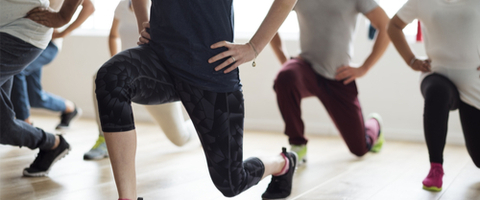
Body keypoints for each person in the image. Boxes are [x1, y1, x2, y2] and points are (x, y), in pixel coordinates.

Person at [94, 0, 298, 199]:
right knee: (112, 77)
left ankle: (282, 163)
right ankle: (127, 197)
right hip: (159, 58)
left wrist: (254, 47)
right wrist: (143, 22)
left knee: (231, 183)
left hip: (211, 70)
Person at [270, 0, 390, 164]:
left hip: (339, 76)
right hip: (306, 67)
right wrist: (284, 60)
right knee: (285, 77)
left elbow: (387, 26)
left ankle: (374, 124)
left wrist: (364, 67)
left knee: (360, 149)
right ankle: (297, 144)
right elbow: (270, 24)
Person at [83, 0, 196, 160]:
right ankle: (103, 139)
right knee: (99, 75)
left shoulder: (162, 6)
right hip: (129, 74)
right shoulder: (122, 5)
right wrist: (114, 67)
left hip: (154, 77)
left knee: (180, 138)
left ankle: (200, 129)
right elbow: (114, 35)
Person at [387, 0, 480, 192]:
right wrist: (411, 60)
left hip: (473, 83)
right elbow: (393, 26)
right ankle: (435, 169)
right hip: (437, 73)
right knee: (437, 93)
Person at [0, 0, 82, 176]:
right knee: (3, 128)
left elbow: (89, 7)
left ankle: (63, 112)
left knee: (35, 95)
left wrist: (63, 17)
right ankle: (52, 144)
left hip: (22, 29)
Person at [10, 0, 94, 129]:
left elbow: (89, 7)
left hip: (48, 45)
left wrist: (63, 33)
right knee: (34, 97)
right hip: (27, 40)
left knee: (17, 69)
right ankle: (69, 109)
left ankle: (25, 123)